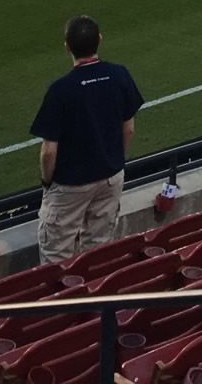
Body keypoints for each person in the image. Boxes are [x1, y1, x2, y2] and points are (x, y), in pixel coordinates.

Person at [30, 15, 143, 263]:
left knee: (56, 257)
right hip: (111, 177)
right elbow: (129, 129)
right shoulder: (119, 75)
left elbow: (49, 151)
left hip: (70, 185)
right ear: (99, 40)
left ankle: (64, 300)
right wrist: (114, 163)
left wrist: (47, 181)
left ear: (67, 47)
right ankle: (94, 297)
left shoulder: (60, 90)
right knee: (98, 254)